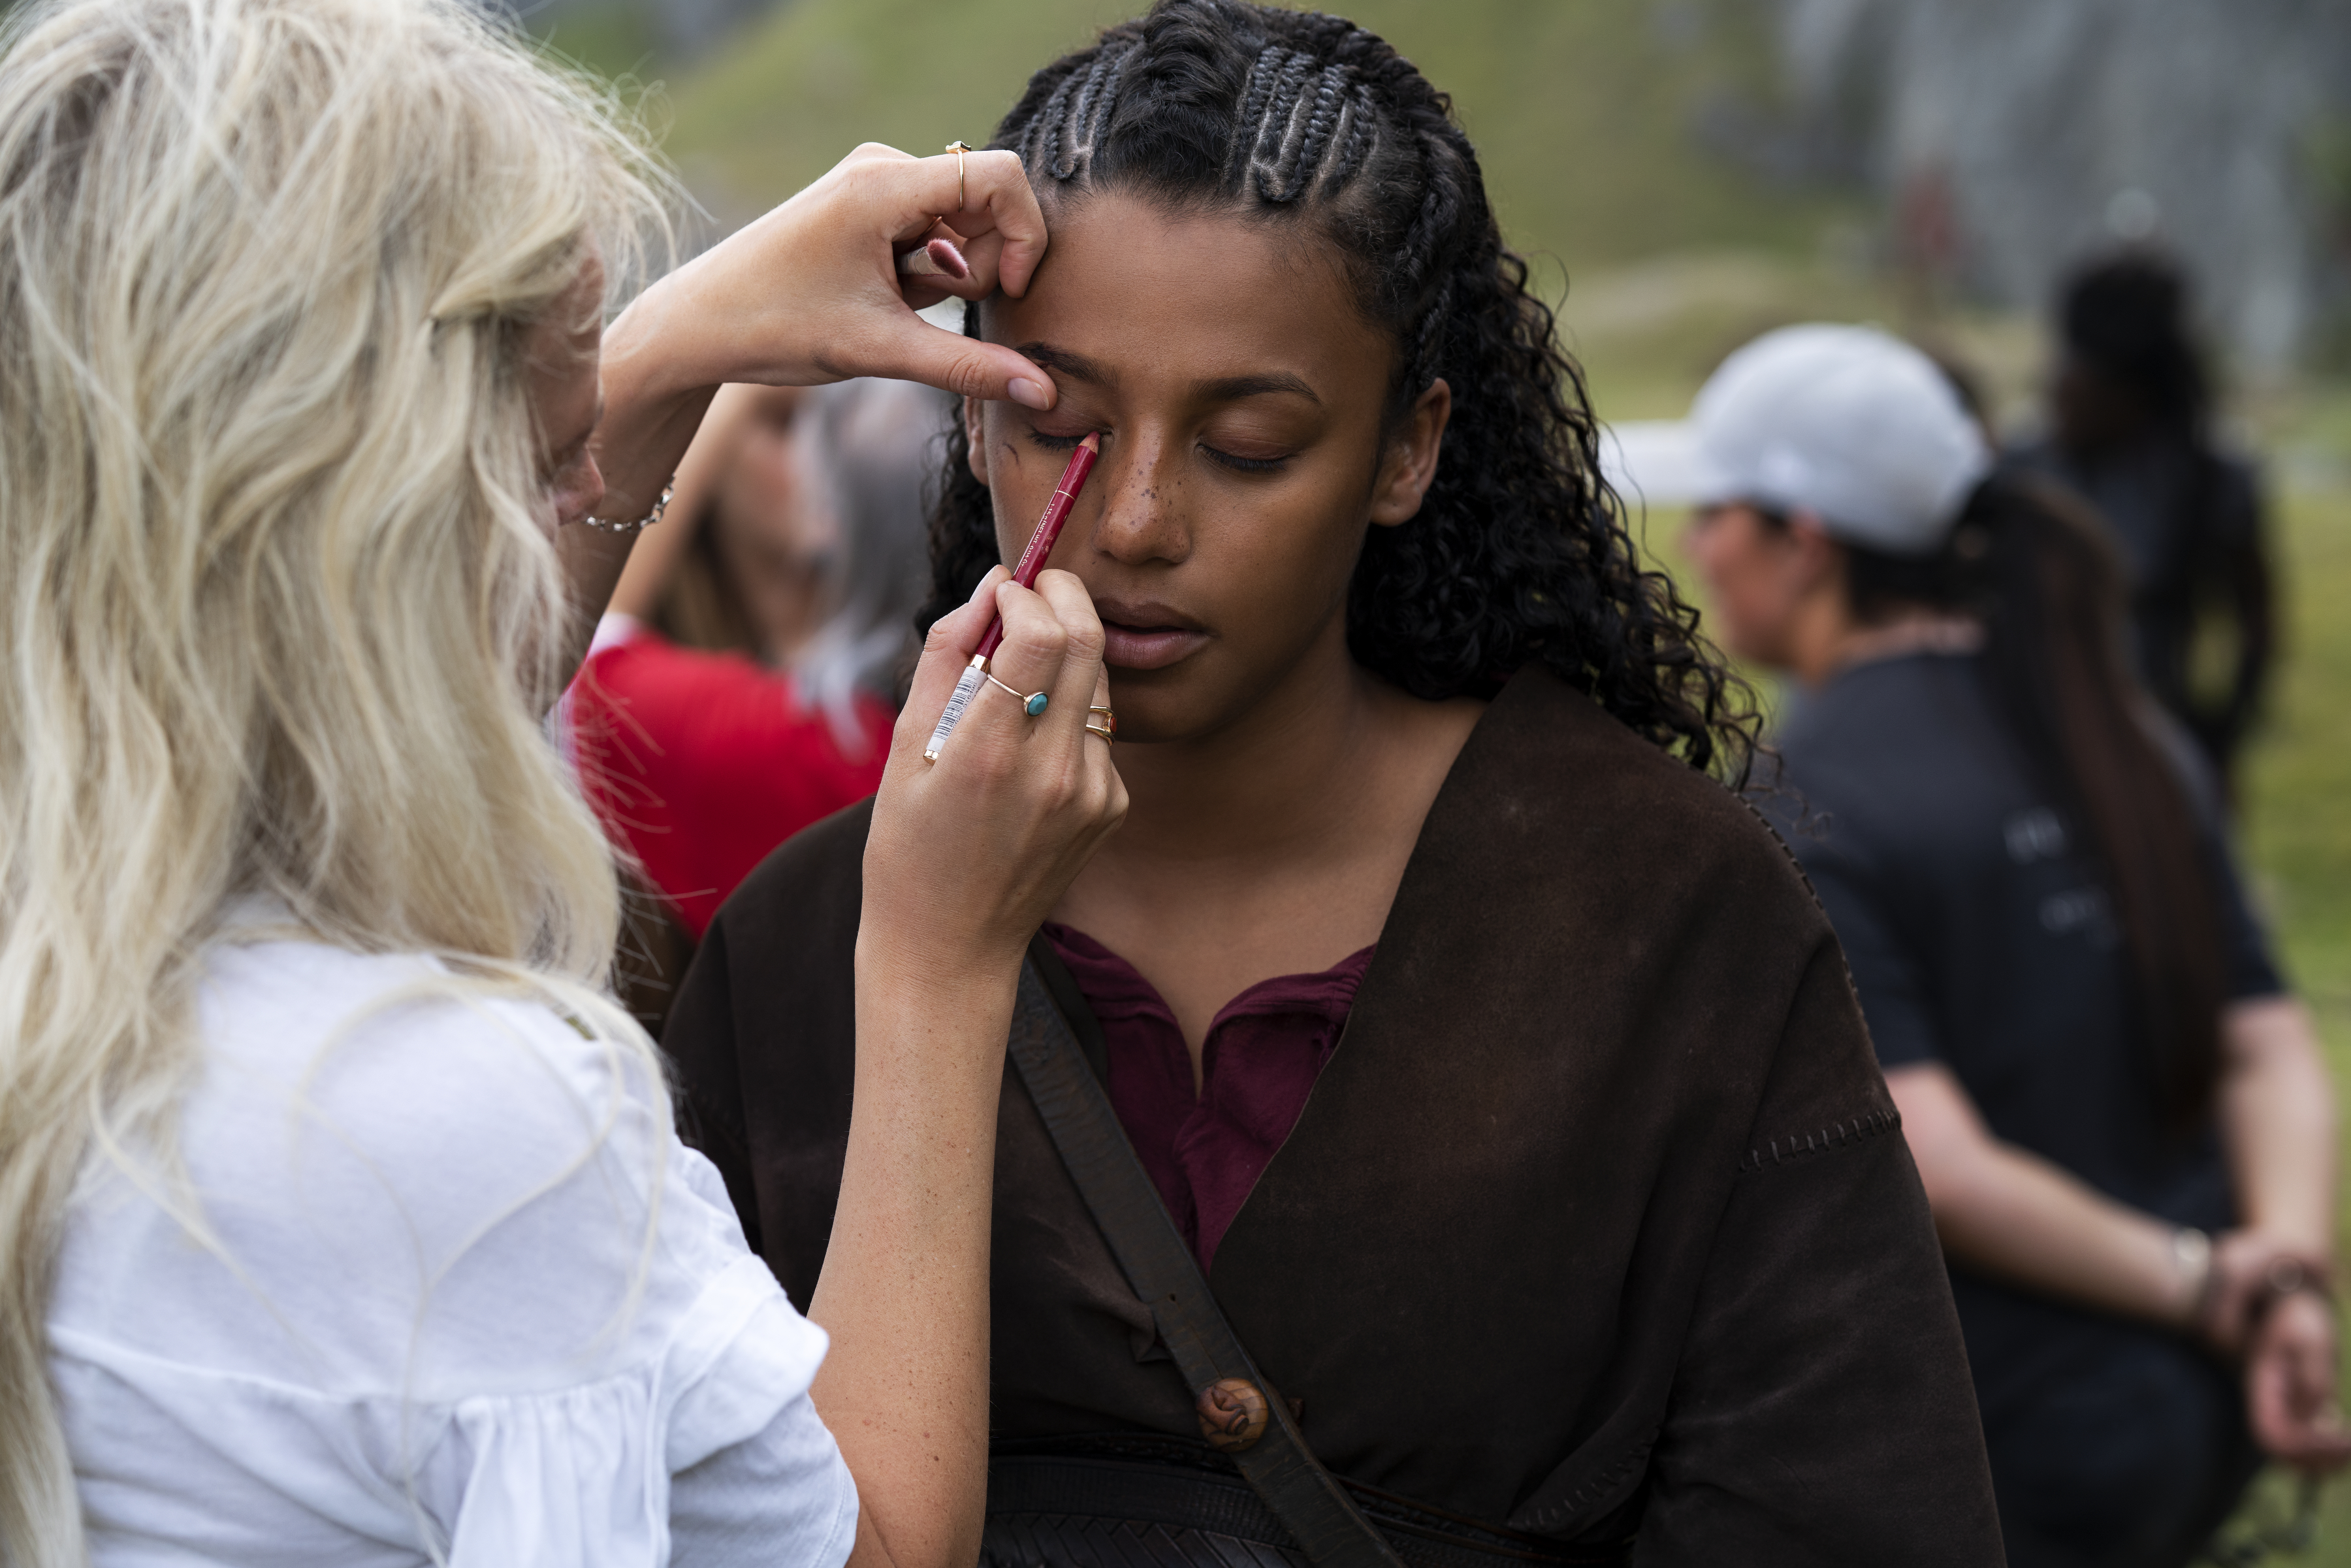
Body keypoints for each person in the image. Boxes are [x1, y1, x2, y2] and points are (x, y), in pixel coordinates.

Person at [662, 5, 2005, 1563]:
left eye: (1248, 443)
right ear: (972, 406)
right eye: (1064, 423)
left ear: (1405, 449)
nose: (1142, 521)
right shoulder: (808, 936)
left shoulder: (1664, 911)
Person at [0, 1, 1128, 1564]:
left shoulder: (81, 935)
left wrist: (655, 345)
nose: (596, 493)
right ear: (363, 520)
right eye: (543, 463)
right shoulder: (459, 1143)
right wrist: (938, 965)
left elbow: (356, 767)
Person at [1676, 324, 2345, 1568]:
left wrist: (2215, 1286)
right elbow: (2267, 1042)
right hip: (2192, 1420)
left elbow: (1938, 1166)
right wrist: (2282, 1282)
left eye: (1719, 508)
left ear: (1803, 538)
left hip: (1997, 1441)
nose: (1693, 545)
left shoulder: (1802, 798)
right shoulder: (2115, 724)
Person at [571, 378, 947, 946]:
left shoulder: (786, 746)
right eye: (781, 421)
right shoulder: (991, 742)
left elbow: (578, 658)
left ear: (826, 506)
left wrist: (729, 387)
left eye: (801, 428)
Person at [2011, 251, 2275, 801]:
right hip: (2028, 738)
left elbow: (2255, 614)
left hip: (2152, 740)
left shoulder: (2207, 479)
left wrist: (2220, 732)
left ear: (2136, 397)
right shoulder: (2022, 466)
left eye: (2084, 372)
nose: (2059, 382)